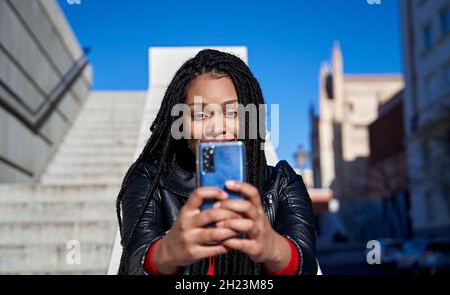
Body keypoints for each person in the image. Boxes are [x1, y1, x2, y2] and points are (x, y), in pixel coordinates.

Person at [116, 49, 317, 275]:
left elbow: (306, 262)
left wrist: (272, 247)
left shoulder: (281, 184)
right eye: (200, 115)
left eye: (232, 112)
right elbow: (134, 261)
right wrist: (167, 252)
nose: (217, 127)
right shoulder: (149, 180)